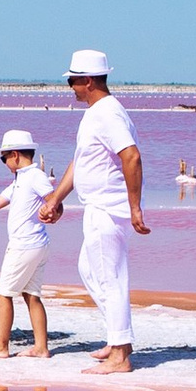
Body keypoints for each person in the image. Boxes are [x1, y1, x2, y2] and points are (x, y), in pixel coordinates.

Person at [37, 48, 146, 374]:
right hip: (97, 206)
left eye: (72, 80)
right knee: (89, 269)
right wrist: (56, 198)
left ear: (87, 80)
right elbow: (81, 161)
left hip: (106, 207)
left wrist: (135, 207)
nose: (70, 87)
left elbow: (131, 156)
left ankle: (121, 354)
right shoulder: (96, 113)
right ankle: (117, 338)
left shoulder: (107, 113)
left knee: (109, 276)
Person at [0, 129, 56, 360]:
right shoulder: (21, 179)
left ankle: (1, 346)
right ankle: (41, 347)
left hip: (24, 245)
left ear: (15, 155)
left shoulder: (35, 176)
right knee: (31, 295)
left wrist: (53, 212)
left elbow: (53, 200)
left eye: (4, 158)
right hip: (36, 244)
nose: (4, 163)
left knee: (3, 293)